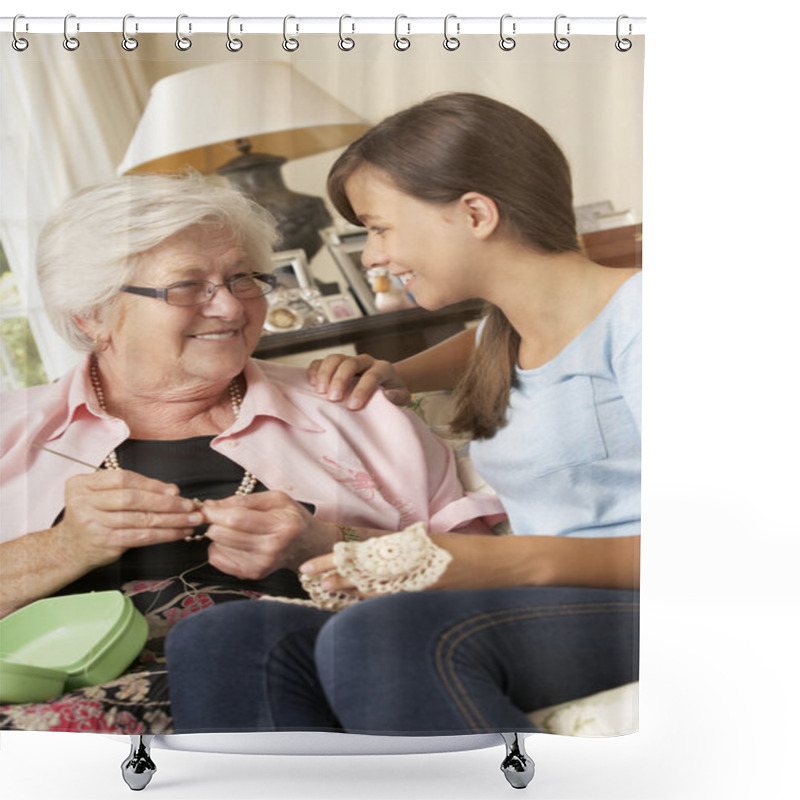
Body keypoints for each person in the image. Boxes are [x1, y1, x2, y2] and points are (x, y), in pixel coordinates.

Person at [165, 93, 640, 737]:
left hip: (653, 600)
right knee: (228, 637)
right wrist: (395, 371)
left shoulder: (643, 320)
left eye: (379, 227)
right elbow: (485, 343)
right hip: (550, 600)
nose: (371, 257)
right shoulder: (509, 333)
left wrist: (486, 562)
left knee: (383, 636)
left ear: (475, 213)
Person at [0, 172, 500, 732]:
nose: (231, 309)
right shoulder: (11, 434)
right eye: (187, 286)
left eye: (243, 279)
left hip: (324, 691)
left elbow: (491, 587)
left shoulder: (352, 411)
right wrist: (62, 547)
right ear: (90, 316)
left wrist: (332, 544)